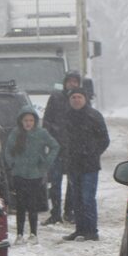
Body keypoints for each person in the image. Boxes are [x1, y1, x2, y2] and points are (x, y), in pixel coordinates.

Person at [61, 87, 111, 242]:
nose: (76, 100)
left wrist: (92, 153)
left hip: (89, 166)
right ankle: (79, 229)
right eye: (73, 97)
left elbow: (104, 139)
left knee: (88, 198)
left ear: (85, 99)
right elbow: (62, 139)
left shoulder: (94, 116)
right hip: (73, 164)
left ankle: (91, 230)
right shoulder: (67, 116)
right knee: (76, 199)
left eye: (79, 97)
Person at [4, 104, 59, 244]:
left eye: (31, 120)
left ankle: (33, 234)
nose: (28, 123)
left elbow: (55, 146)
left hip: (36, 174)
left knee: (33, 205)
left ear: (35, 121)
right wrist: (12, 163)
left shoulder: (41, 133)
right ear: (21, 121)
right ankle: (20, 234)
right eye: (25, 120)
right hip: (19, 174)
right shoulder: (15, 133)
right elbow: (7, 150)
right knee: (21, 205)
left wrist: (46, 162)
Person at [42, 70, 82, 224]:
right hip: (57, 148)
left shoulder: (80, 99)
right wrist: (52, 136)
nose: (72, 84)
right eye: (69, 81)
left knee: (73, 183)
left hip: (74, 149)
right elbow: (46, 120)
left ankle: (69, 212)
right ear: (65, 82)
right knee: (55, 182)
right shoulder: (56, 97)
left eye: (75, 81)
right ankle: (55, 213)